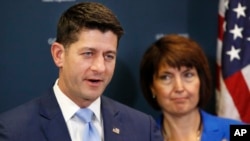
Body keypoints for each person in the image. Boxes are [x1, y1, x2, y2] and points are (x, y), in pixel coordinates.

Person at [0, 2, 163, 141]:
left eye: (109, 56)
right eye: (88, 54)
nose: (100, 67)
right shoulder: (13, 131)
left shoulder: (143, 129)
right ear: (59, 55)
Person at [139, 34, 244, 141]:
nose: (179, 88)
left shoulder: (238, 132)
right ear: (152, 87)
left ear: (201, 80)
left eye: (188, 75)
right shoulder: (141, 137)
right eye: (166, 77)